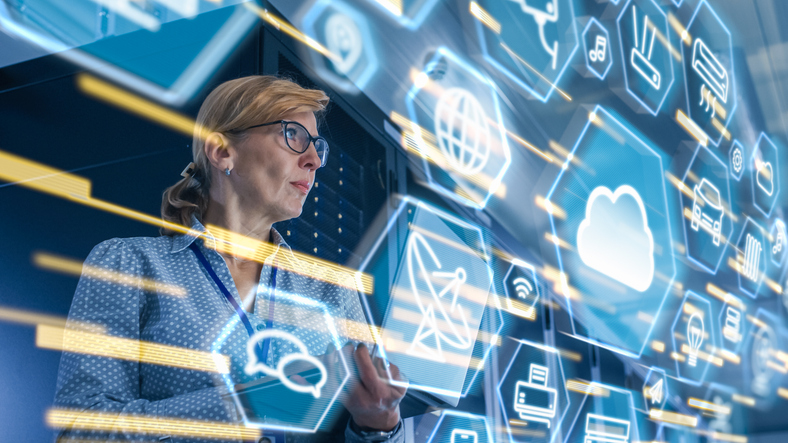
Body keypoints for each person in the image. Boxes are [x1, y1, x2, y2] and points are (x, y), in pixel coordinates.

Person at [54, 75, 407, 442]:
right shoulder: (129, 264)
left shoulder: (333, 292)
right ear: (222, 151)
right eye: (294, 136)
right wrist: (252, 403)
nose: (315, 160)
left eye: (318, 145)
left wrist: (378, 424)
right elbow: (81, 431)